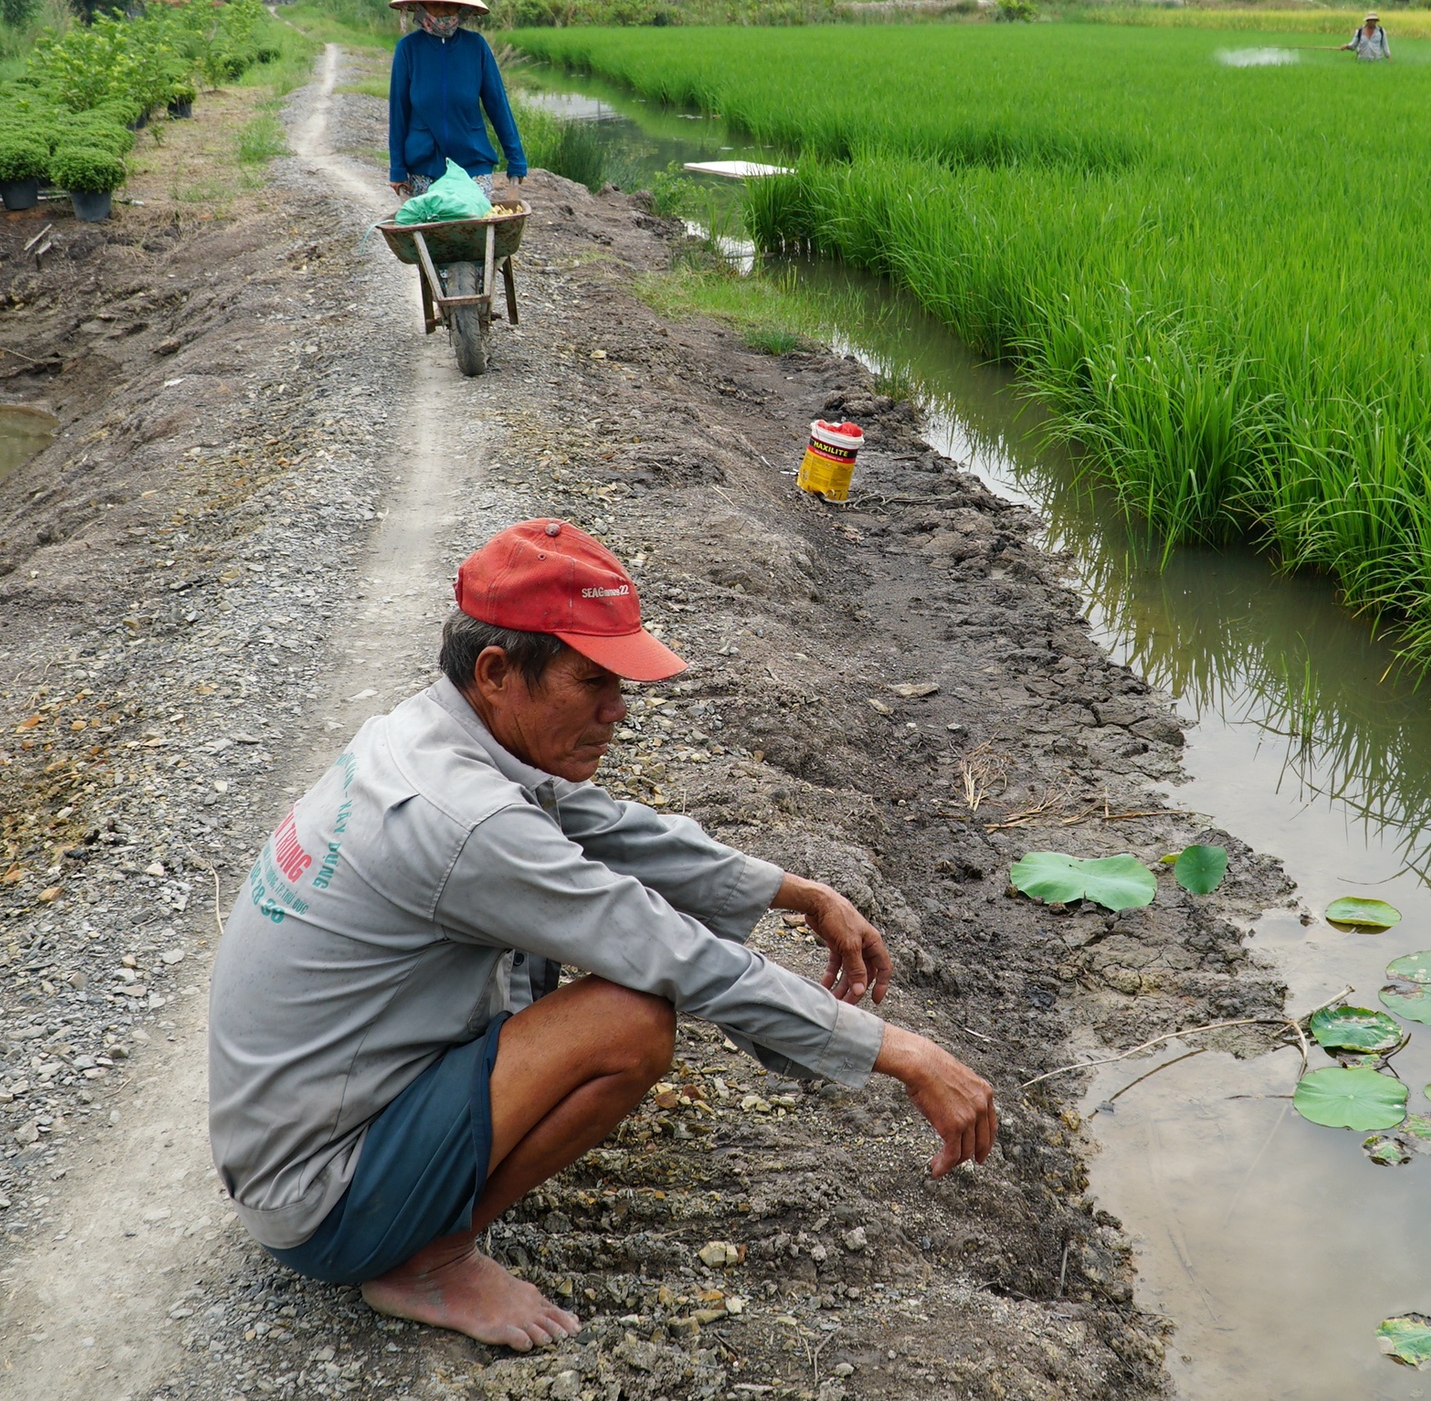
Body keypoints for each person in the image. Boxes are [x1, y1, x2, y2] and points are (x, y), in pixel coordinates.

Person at [206, 520, 995, 1348]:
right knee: (629, 1021)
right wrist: (901, 1051)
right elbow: (668, 949)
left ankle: (426, 1186)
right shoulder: (467, 823)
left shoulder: (435, 733)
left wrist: (799, 892)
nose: (618, 710)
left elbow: (610, 828)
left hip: (291, 1140)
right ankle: (426, 1260)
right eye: (593, 682)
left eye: (621, 682)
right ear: (497, 670)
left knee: (585, 961)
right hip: (321, 1199)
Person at [386, 0, 527, 203]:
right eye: (436, 5)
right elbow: (398, 112)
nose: (443, 13)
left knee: (471, 222)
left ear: (460, 10)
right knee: (435, 230)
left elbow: (498, 105)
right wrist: (397, 169)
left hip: (473, 162)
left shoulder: (476, 47)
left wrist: (516, 159)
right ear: (420, 7)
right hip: (425, 166)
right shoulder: (408, 49)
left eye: (449, 5)